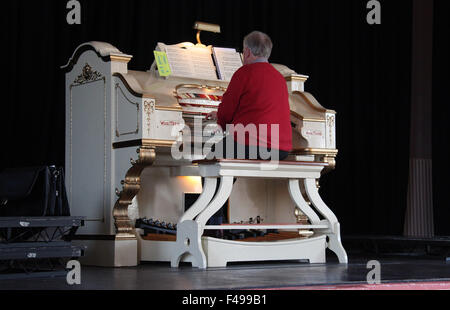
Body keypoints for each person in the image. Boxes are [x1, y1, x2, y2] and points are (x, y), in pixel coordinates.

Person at [207, 31, 292, 161]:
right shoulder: (280, 78)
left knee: (213, 157)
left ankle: (222, 182)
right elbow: (257, 111)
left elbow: (227, 111)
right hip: (281, 149)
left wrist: (221, 121)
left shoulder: (244, 73)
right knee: (227, 153)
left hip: (252, 145)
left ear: (247, 52)